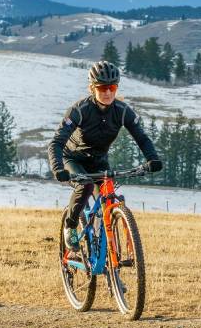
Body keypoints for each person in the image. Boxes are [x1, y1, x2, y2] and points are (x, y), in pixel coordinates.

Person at [48, 60, 163, 251]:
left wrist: (152, 158)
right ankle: (70, 226)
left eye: (112, 87)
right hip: (73, 159)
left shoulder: (122, 111)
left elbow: (142, 138)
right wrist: (58, 168)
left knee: (109, 196)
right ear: (92, 88)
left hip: (99, 162)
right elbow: (56, 143)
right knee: (84, 187)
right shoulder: (79, 110)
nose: (108, 92)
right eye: (102, 88)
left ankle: (102, 244)